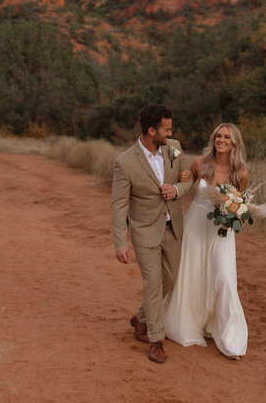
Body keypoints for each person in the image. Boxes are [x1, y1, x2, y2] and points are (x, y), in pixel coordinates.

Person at [111, 103, 192, 364]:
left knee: (169, 278)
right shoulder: (124, 163)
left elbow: (187, 179)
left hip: (173, 228)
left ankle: (139, 318)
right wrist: (120, 242)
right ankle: (156, 340)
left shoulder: (174, 148)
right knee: (153, 285)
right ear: (150, 130)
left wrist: (177, 190)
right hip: (145, 233)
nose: (170, 133)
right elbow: (119, 204)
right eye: (166, 129)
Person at [165, 123, 249, 359]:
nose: (221, 140)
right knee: (193, 273)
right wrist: (179, 179)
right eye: (218, 136)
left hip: (222, 231)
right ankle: (190, 323)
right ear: (213, 139)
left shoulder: (240, 172)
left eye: (227, 137)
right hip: (196, 225)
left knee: (223, 277)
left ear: (234, 143)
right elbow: (183, 185)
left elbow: (240, 205)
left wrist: (233, 216)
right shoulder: (199, 164)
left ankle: (229, 336)